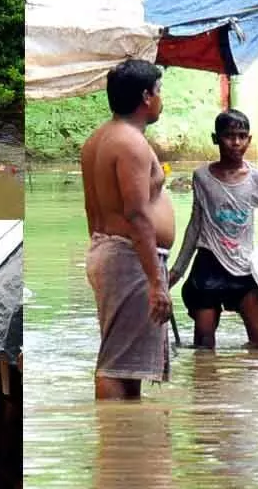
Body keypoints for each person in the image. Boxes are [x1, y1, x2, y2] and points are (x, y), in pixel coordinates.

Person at [81, 59, 173, 401]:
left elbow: (93, 211)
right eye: (160, 91)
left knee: (126, 363)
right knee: (117, 363)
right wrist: (155, 282)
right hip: (128, 257)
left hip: (112, 252)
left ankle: (128, 442)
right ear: (146, 96)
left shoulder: (97, 139)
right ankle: (116, 439)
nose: (162, 99)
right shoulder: (129, 143)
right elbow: (136, 214)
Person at [168, 109, 258, 349]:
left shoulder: (257, 179)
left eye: (242, 136)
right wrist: (176, 272)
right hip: (208, 266)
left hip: (244, 268)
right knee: (203, 349)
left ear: (249, 139)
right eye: (229, 136)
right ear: (216, 138)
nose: (236, 142)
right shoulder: (202, 177)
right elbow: (195, 226)